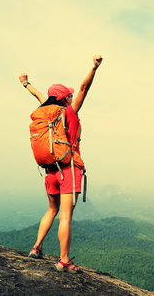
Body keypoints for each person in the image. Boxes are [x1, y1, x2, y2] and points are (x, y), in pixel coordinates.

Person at [19, 55, 103, 273]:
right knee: (65, 216)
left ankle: (36, 247)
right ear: (65, 99)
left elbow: (40, 95)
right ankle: (64, 260)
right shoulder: (68, 112)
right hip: (68, 170)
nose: (72, 96)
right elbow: (84, 88)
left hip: (50, 171)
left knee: (52, 209)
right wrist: (93, 68)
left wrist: (26, 83)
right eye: (70, 95)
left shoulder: (47, 114)